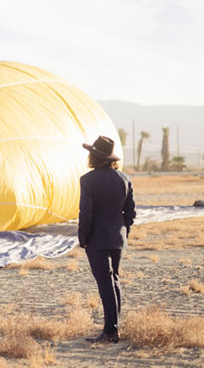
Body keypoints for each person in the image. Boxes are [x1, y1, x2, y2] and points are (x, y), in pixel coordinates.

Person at [78, 135, 136, 343]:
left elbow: (86, 213)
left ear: (94, 157)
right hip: (117, 237)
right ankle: (114, 327)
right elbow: (130, 212)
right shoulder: (124, 179)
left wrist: (83, 237)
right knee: (114, 279)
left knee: (105, 282)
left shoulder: (88, 180)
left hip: (97, 238)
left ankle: (110, 331)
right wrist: (123, 230)